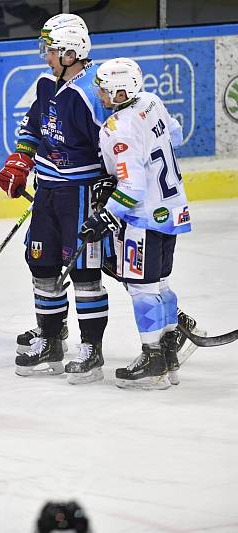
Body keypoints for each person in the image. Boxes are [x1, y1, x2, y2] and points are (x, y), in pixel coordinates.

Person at [0, 14, 114, 385]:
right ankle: (50, 339)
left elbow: (112, 146)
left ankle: (91, 349)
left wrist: (111, 189)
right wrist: (20, 159)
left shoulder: (91, 96)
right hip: (47, 192)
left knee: (83, 273)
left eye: (50, 50)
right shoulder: (46, 83)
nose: (45, 56)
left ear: (70, 52)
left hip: (80, 193)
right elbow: (33, 127)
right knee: (42, 265)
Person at [81, 57, 192, 389]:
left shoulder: (118, 128)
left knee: (143, 290)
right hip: (171, 209)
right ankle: (169, 354)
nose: (99, 95)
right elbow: (175, 133)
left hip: (141, 218)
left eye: (103, 90)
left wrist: (105, 215)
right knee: (160, 285)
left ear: (118, 92)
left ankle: (152, 358)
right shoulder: (152, 101)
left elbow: (131, 187)